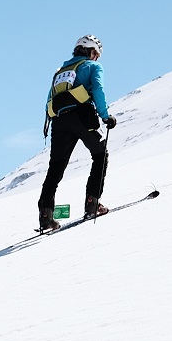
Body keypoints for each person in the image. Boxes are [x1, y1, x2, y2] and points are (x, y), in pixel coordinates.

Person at [39, 34, 116, 232]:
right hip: (82, 115)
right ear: (92, 51)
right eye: (96, 54)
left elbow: (49, 100)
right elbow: (98, 89)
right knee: (100, 154)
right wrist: (105, 116)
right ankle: (92, 204)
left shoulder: (60, 71)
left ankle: (46, 216)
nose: (97, 58)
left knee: (55, 168)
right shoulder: (92, 66)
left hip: (59, 121)